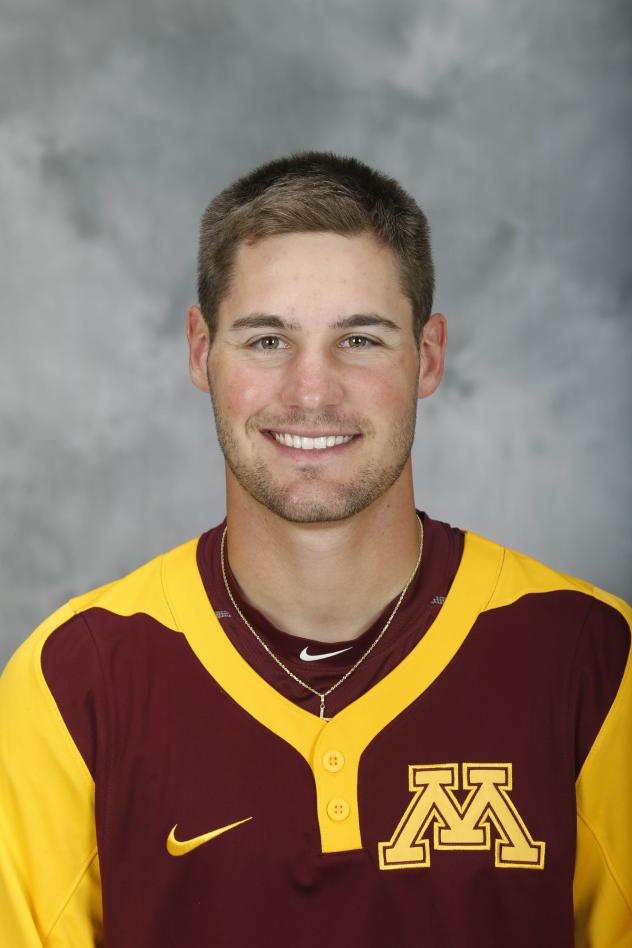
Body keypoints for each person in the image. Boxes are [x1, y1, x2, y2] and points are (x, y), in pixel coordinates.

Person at [0, 152, 630, 948]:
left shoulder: (593, 660)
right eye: (267, 340)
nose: (311, 391)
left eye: (360, 340)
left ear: (428, 356)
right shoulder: (75, 681)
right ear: (200, 352)